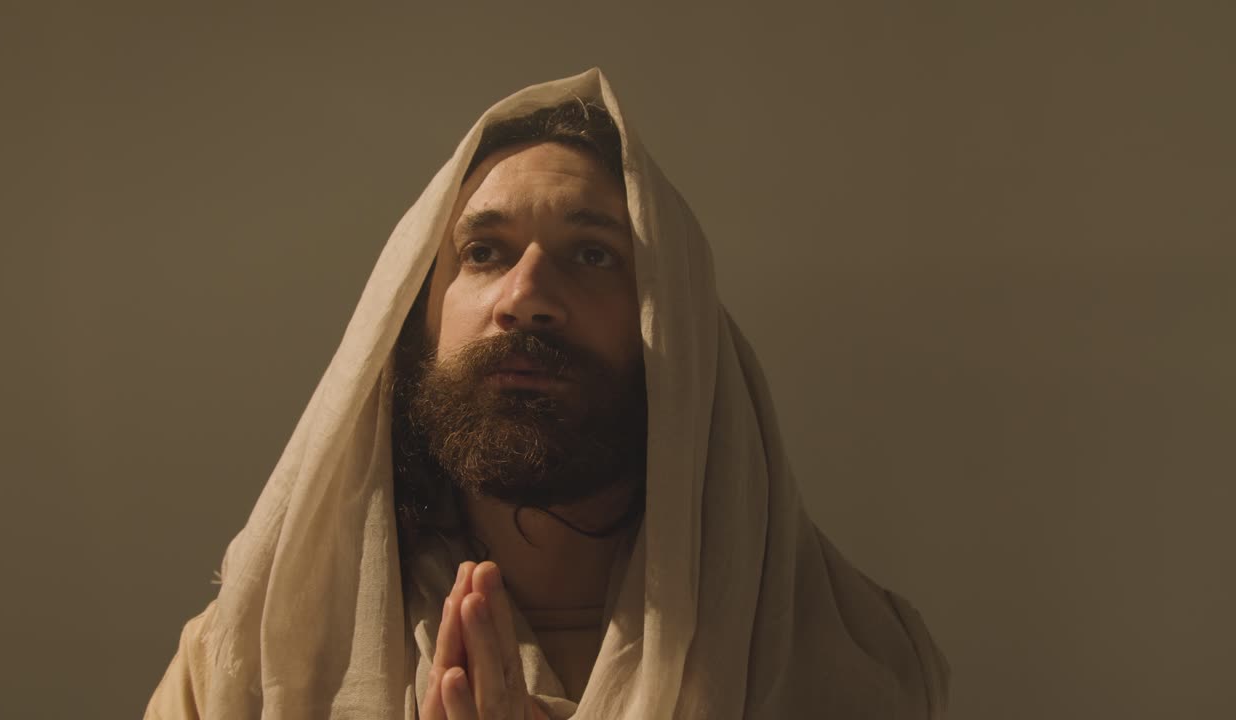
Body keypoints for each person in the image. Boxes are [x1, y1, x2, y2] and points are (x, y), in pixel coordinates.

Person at [145, 68, 950, 719]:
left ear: (674, 332)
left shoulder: (855, 662)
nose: (527, 296)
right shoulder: (245, 664)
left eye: (592, 255)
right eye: (484, 252)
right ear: (417, 320)